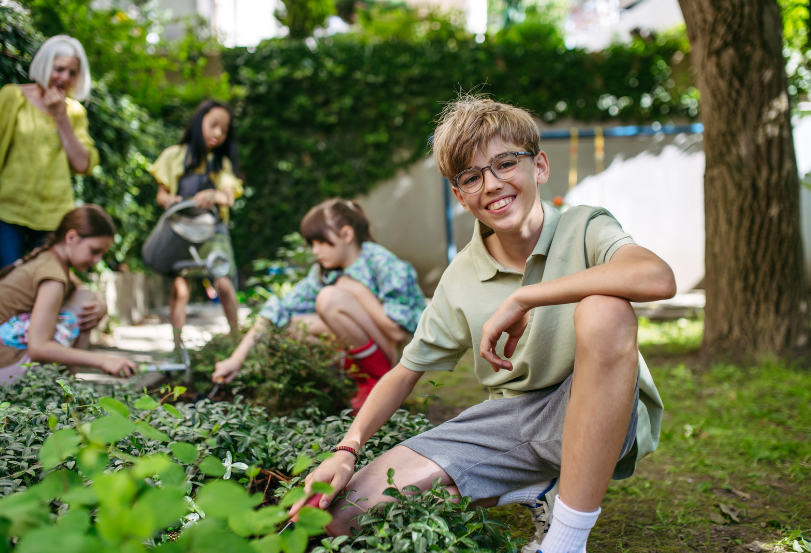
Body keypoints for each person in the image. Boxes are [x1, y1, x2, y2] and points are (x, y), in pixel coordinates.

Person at [289, 96, 674, 553]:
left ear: (539, 167)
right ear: (460, 196)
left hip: (595, 408)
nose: (491, 184)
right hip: (508, 423)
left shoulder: (584, 226)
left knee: (605, 310)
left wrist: (526, 296)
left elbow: (656, 277)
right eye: (471, 177)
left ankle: (565, 541)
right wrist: (346, 449)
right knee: (344, 513)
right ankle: (533, 488)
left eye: (505, 164)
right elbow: (405, 371)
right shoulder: (461, 276)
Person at [212, 198, 427, 411]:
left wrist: (358, 291)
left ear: (346, 235)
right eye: (312, 243)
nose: (315, 251)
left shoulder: (383, 262)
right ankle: (352, 382)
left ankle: (378, 380)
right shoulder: (324, 272)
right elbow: (278, 309)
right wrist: (236, 359)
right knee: (290, 326)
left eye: (321, 242)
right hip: (368, 348)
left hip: (393, 356)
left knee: (329, 299)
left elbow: (397, 333)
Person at [0, 205, 137, 384]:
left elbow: (81, 287)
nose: (97, 260)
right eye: (94, 251)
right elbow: (38, 348)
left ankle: (67, 385)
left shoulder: (47, 259)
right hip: (0, 366)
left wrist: (101, 304)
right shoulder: (53, 276)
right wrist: (104, 360)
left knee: (89, 298)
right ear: (71, 238)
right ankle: (67, 385)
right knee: (86, 301)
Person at [0, 35, 99, 271]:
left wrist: (61, 116)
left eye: (72, 73)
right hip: (8, 213)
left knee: (46, 282)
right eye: (59, 69)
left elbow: (82, 164)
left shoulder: (75, 112)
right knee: (9, 282)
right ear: (45, 65)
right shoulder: (12, 97)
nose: (64, 78)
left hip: (54, 218)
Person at [148, 100, 243, 349]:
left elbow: (228, 197)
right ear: (199, 121)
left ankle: (236, 340)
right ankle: (178, 348)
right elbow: (161, 194)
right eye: (213, 125)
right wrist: (168, 200)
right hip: (182, 229)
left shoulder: (220, 164)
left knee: (223, 281)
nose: (218, 133)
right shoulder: (174, 156)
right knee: (180, 288)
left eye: (224, 130)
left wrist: (213, 195)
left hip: (213, 230)